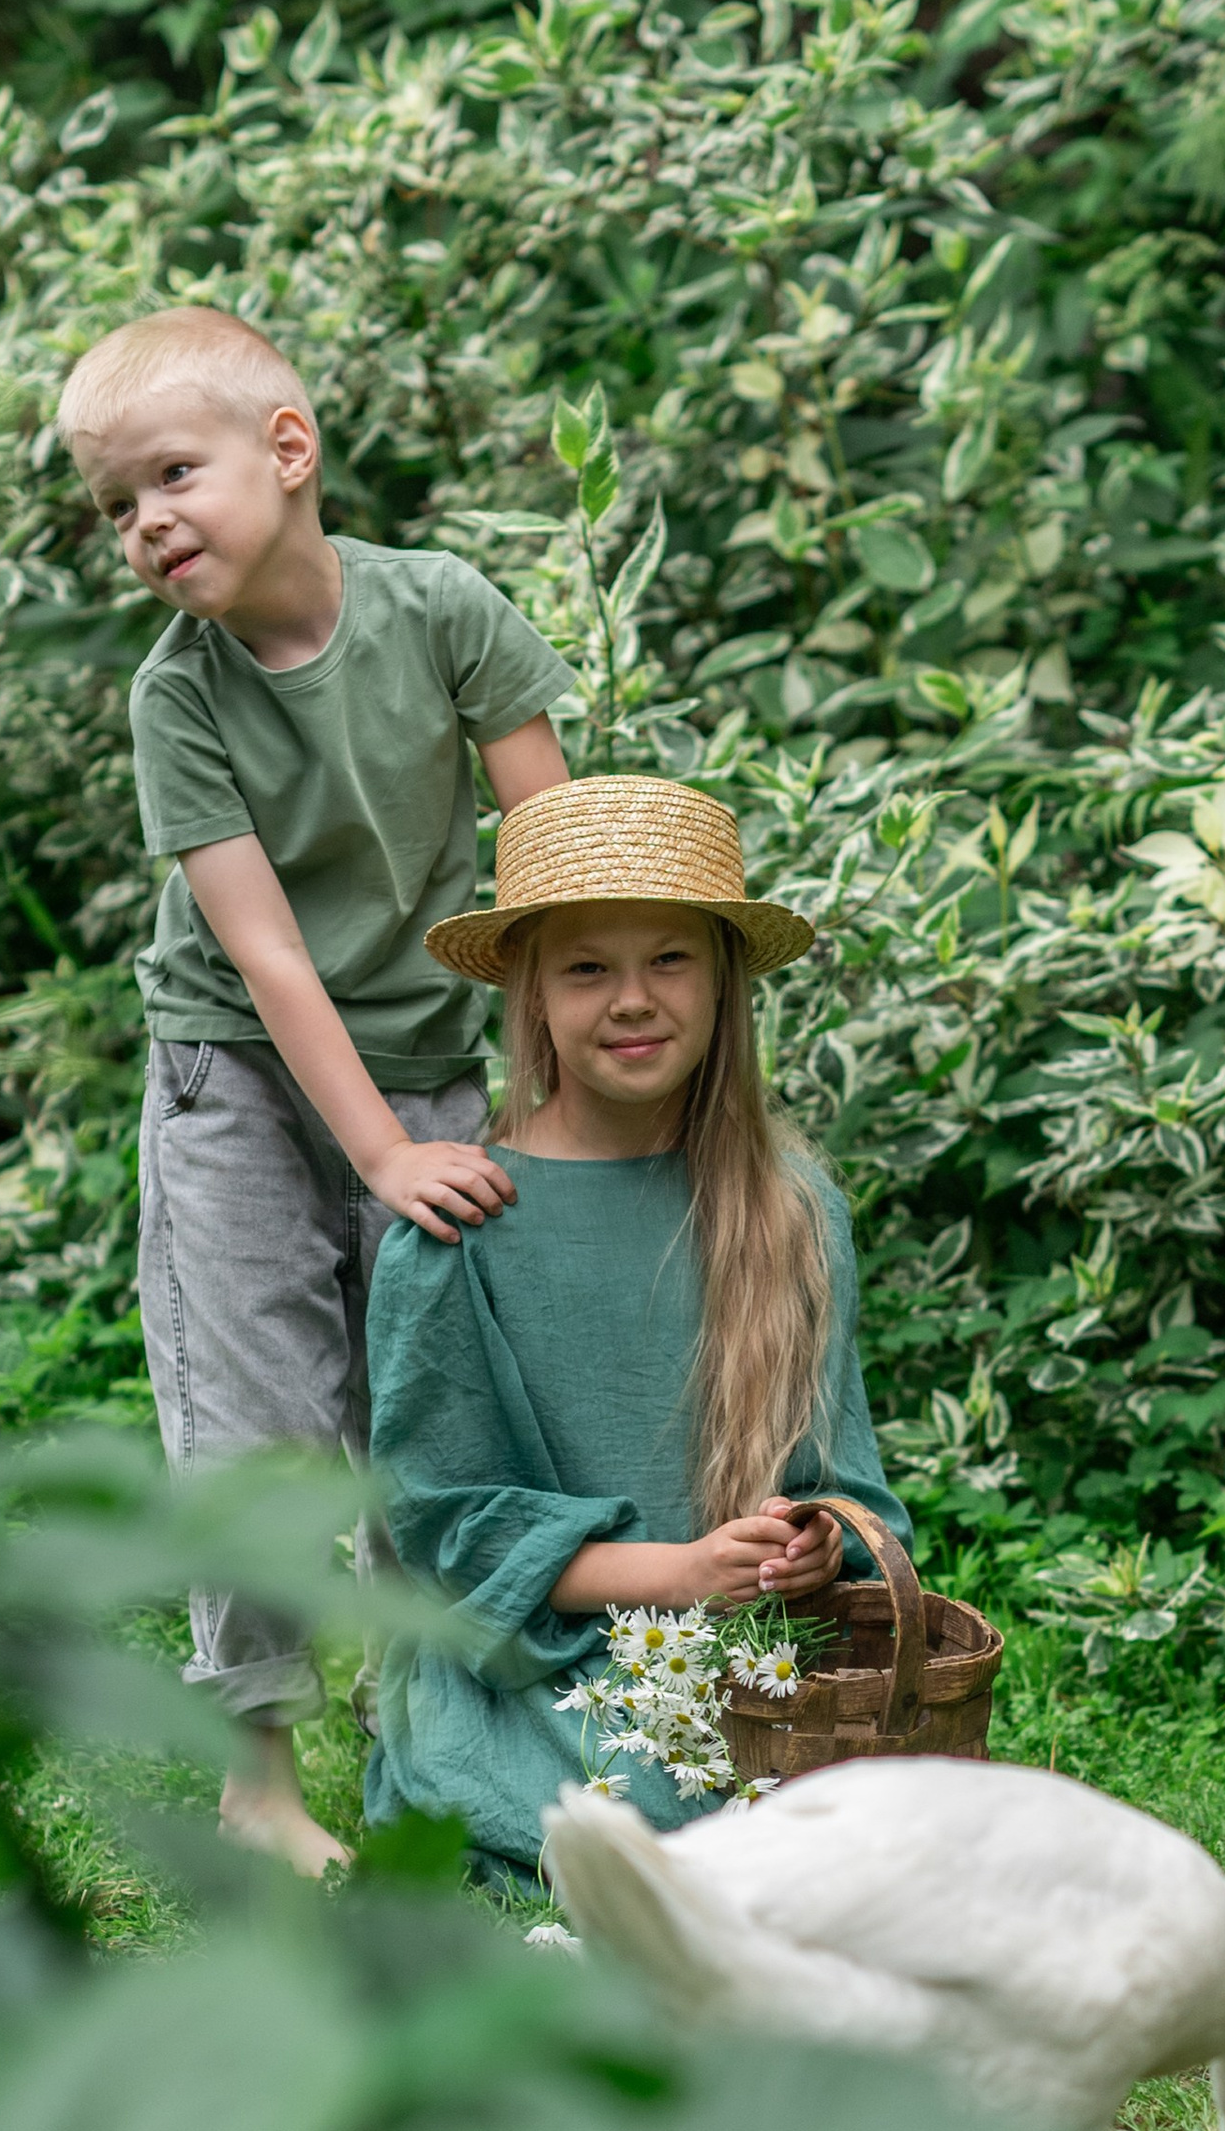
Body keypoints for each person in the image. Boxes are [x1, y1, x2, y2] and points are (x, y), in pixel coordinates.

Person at [59, 302, 580, 1876]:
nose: (147, 523)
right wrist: (378, 1158)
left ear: (288, 450)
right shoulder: (179, 696)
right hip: (235, 1080)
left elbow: (553, 858)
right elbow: (270, 954)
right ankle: (258, 1777)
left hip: (427, 1061)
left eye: (172, 475)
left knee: (438, 1401)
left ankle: (432, 1718)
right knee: (260, 1422)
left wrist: (554, 1093)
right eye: (116, 505)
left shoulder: (443, 611)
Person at [364, 774, 911, 1881]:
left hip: (749, 1657)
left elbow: (846, 1482)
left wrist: (810, 1544)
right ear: (530, 993)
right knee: (645, 1834)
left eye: (668, 959)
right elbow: (447, 1529)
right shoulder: (462, 1229)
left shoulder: (791, 1209)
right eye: (586, 969)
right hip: (536, 1665)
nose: (632, 1000)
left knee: (840, 1840)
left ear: (722, 984)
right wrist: (678, 1572)